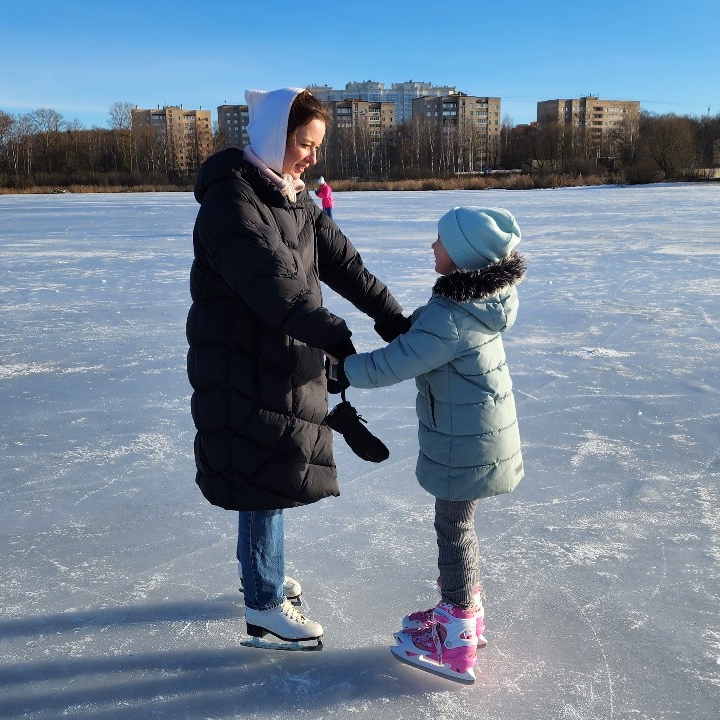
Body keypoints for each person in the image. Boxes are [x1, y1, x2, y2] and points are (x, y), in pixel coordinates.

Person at [187, 87, 410, 650]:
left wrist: (393, 319)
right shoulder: (232, 199)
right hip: (241, 362)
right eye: (305, 144)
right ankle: (263, 604)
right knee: (262, 473)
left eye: (317, 146)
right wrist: (340, 340)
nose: (313, 157)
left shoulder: (293, 197)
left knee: (272, 468)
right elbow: (276, 287)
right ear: (273, 137)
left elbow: (346, 265)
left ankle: (261, 571)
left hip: (282, 356)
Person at [337, 206, 526, 683]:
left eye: (440, 240)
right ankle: (466, 612)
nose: (432, 246)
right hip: (479, 434)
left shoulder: (451, 317)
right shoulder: (475, 303)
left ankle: (456, 635)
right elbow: (427, 334)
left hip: (465, 442)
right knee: (459, 524)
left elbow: (395, 363)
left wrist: (341, 371)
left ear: (461, 256)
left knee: (453, 528)